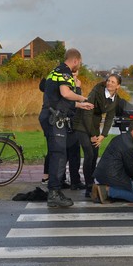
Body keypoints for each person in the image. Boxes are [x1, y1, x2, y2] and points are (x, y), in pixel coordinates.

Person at [38, 49, 93, 208]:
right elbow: (66, 93)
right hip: (54, 119)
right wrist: (83, 97)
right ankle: (54, 193)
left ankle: (54, 191)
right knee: (59, 155)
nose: (79, 66)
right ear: (75, 60)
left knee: (58, 154)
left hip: (50, 115)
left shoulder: (54, 72)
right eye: (80, 63)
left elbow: (60, 99)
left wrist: (80, 105)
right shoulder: (65, 73)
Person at [72, 74, 123, 197]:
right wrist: (92, 135)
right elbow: (87, 114)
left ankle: (93, 182)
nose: (109, 83)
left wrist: (103, 135)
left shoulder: (116, 99)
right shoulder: (97, 90)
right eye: (108, 80)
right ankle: (89, 187)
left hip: (94, 126)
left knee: (95, 154)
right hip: (81, 123)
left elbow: (110, 117)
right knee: (89, 153)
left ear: (118, 86)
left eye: (113, 82)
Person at [92, 118, 133, 204]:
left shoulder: (120, 138)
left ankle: (106, 189)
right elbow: (130, 169)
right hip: (114, 176)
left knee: (131, 187)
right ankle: (106, 191)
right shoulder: (130, 146)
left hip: (102, 173)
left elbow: (130, 163)